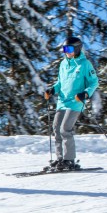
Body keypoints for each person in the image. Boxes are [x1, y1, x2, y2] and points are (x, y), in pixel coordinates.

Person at [44, 35, 98, 172]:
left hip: (75, 102)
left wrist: (85, 93)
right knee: (56, 129)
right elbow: (60, 83)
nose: (66, 52)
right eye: (64, 49)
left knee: (65, 129)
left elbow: (94, 82)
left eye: (69, 48)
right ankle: (60, 159)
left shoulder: (85, 64)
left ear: (78, 48)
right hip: (62, 101)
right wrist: (52, 89)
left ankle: (69, 159)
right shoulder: (63, 64)